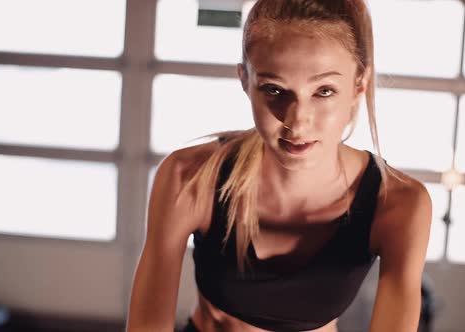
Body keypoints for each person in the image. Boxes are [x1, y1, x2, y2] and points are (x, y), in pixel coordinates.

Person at [126, 0, 432, 331]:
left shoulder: (399, 204)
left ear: (359, 84)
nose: (297, 122)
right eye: (274, 90)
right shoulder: (190, 177)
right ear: (244, 79)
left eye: (324, 91)